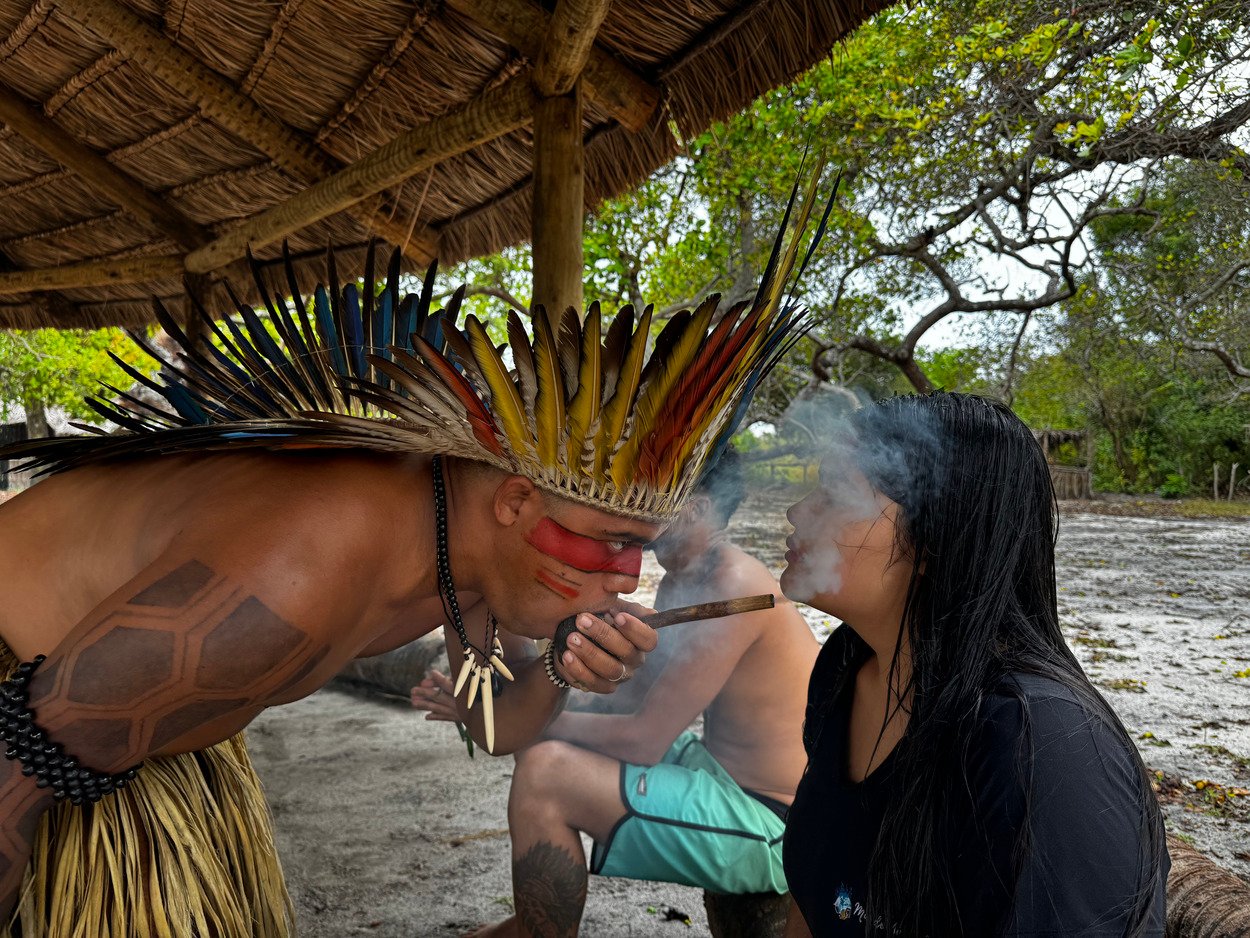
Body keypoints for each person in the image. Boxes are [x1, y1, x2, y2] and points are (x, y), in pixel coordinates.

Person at [0, 205, 817, 936]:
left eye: (638, 547)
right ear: (516, 502)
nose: (627, 575)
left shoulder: (476, 571)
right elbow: (14, 769)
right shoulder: (295, 578)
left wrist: (567, 671)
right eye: (608, 544)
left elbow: (498, 731)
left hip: (113, 744)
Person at [779, 392, 1169, 936]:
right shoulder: (845, 666)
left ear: (934, 538)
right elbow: (814, 897)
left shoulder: (1038, 746)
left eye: (838, 493)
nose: (797, 511)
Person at [413, 447, 819, 937]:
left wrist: (501, 719)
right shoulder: (685, 580)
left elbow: (642, 738)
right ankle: (534, 925)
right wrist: (510, 701)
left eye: (654, 505)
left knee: (546, 773)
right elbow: (628, 698)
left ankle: (534, 931)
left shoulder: (734, 585)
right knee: (544, 748)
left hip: (774, 823)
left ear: (696, 508)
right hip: (719, 775)